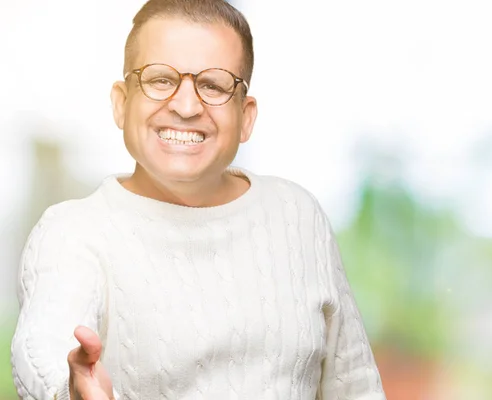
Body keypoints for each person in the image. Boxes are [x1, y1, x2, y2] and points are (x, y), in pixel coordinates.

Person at [11, 0, 386, 399]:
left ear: (246, 116)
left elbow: (357, 386)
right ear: (121, 104)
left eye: (213, 85)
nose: (186, 106)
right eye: (159, 79)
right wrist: (68, 391)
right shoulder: (73, 232)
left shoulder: (298, 217)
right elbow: (44, 349)